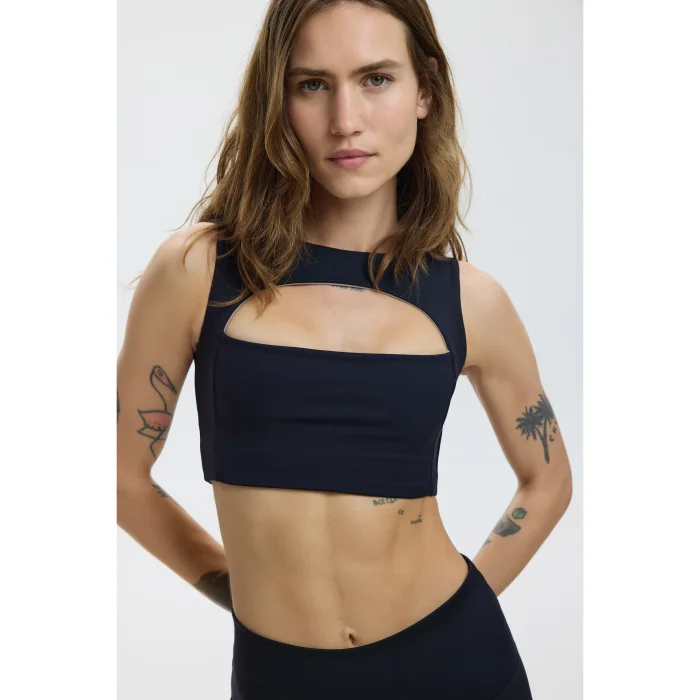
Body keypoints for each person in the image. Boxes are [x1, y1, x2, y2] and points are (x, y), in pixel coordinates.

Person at [117, 1, 573, 698]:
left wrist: (465, 606)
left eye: (376, 79)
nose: (345, 120)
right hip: (280, 676)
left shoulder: (470, 300)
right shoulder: (200, 271)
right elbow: (118, 477)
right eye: (312, 84)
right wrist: (240, 592)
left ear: (425, 91)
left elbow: (548, 480)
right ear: (278, 98)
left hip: (458, 663)